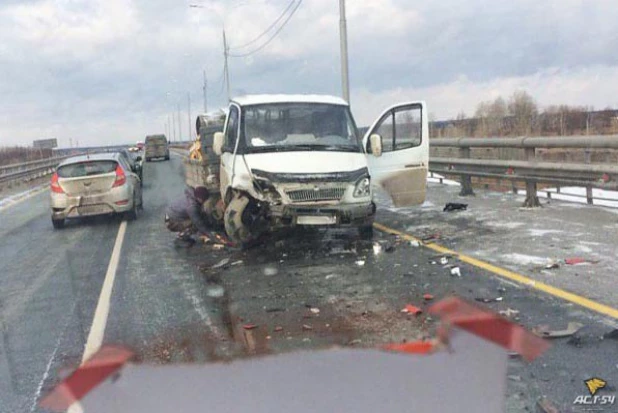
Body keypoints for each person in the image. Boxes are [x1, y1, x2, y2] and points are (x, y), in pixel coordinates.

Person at [165, 186, 232, 247]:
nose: (205, 201)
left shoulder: (193, 195)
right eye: (204, 200)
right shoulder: (192, 207)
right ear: (200, 199)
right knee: (194, 224)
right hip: (172, 222)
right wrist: (211, 234)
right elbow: (199, 223)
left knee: (201, 217)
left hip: (177, 216)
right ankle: (181, 238)